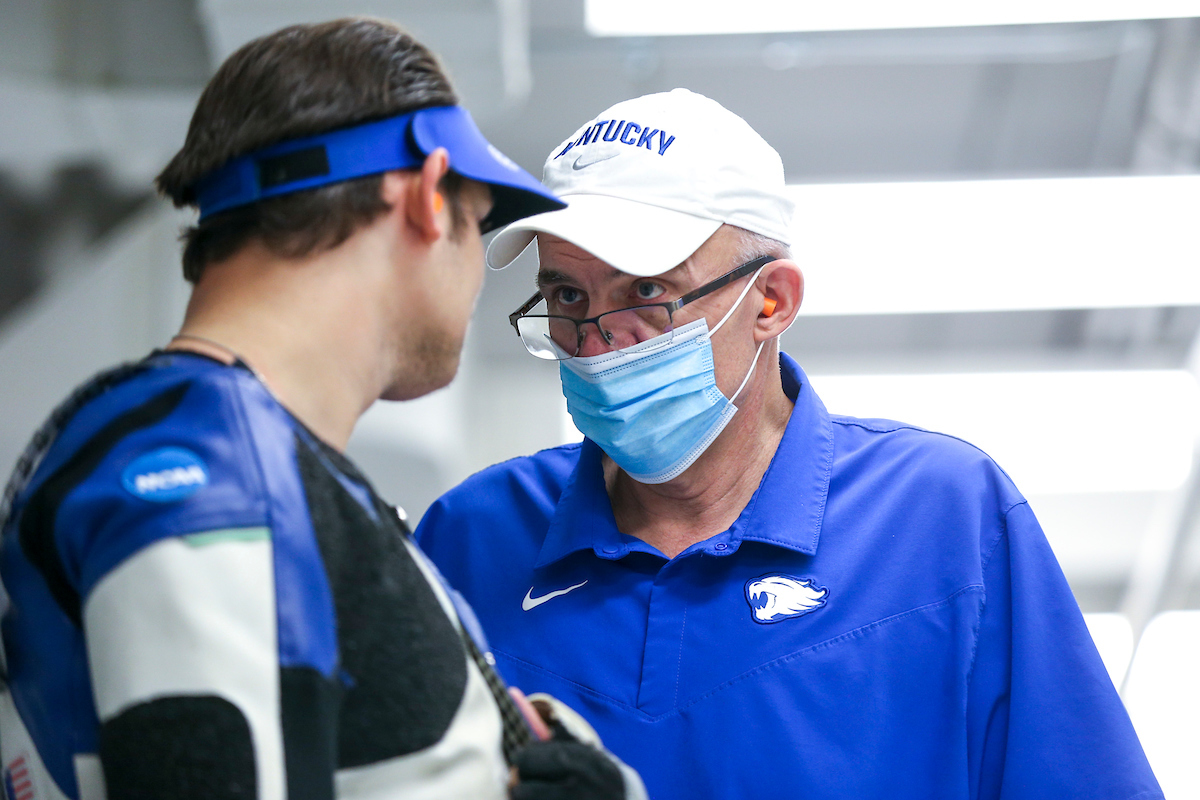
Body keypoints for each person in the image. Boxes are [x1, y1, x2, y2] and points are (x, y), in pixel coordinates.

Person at [414, 88, 1165, 800]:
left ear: (771, 301)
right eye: (569, 297)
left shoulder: (941, 522)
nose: (600, 341)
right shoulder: (474, 538)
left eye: (646, 291)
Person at [0, 19, 645, 800]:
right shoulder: (215, 481)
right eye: (477, 223)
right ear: (423, 197)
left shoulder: (188, 447)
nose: (478, 272)